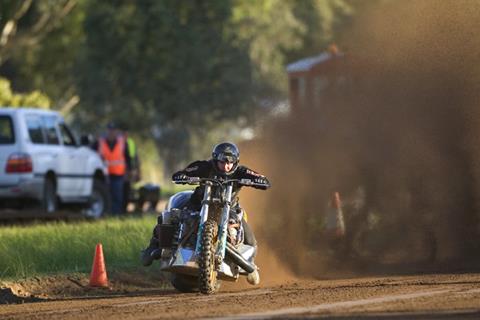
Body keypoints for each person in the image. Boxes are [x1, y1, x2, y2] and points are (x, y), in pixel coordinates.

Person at [141, 142, 270, 266]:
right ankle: (153, 247)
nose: (226, 166)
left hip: (229, 208)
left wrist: (259, 180)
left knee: (248, 234)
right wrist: (183, 176)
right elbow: (183, 173)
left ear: (236, 162)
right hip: (198, 205)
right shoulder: (204, 166)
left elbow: (262, 180)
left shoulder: (241, 171)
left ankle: (250, 263)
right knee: (170, 216)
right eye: (223, 162)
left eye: (230, 163)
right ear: (215, 160)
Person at [95, 122, 131, 215]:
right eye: (109, 130)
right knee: (107, 196)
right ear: (107, 131)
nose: (111, 132)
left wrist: (129, 171)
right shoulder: (100, 142)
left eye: (113, 130)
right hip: (104, 175)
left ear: (116, 131)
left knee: (118, 197)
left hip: (118, 175)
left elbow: (127, 158)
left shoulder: (122, 142)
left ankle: (116, 215)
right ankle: (107, 214)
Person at [121, 125, 141, 212]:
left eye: (126, 133)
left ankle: (125, 210)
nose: (125, 135)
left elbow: (135, 158)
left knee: (128, 191)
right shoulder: (118, 143)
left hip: (129, 172)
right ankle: (121, 209)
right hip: (120, 172)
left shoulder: (130, 143)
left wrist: (137, 171)